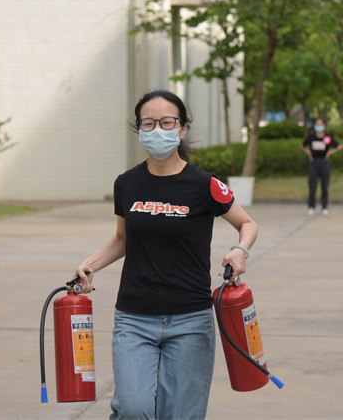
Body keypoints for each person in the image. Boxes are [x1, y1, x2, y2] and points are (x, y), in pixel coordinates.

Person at [74, 90, 258, 420]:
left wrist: (240, 249)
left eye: (167, 122)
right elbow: (123, 238)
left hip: (191, 319)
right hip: (134, 317)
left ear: (182, 128)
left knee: (181, 415)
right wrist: (90, 265)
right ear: (139, 129)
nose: (157, 129)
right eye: (148, 123)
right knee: (133, 409)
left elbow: (247, 224)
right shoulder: (126, 183)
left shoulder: (205, 184)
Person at [300, 118, 342, 216]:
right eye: (317, 124)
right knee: (312, 186)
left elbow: (339, 146)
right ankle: (311, 206)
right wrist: (309, 153)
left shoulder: (327, 138)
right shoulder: (311, 137)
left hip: (324, 163)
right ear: (314, 126)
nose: (319, 126)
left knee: (325, 186)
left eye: (321, 124)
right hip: (314, 163)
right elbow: (302, 145)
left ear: (324, 126)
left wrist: (329, 153)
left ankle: (324, 206)